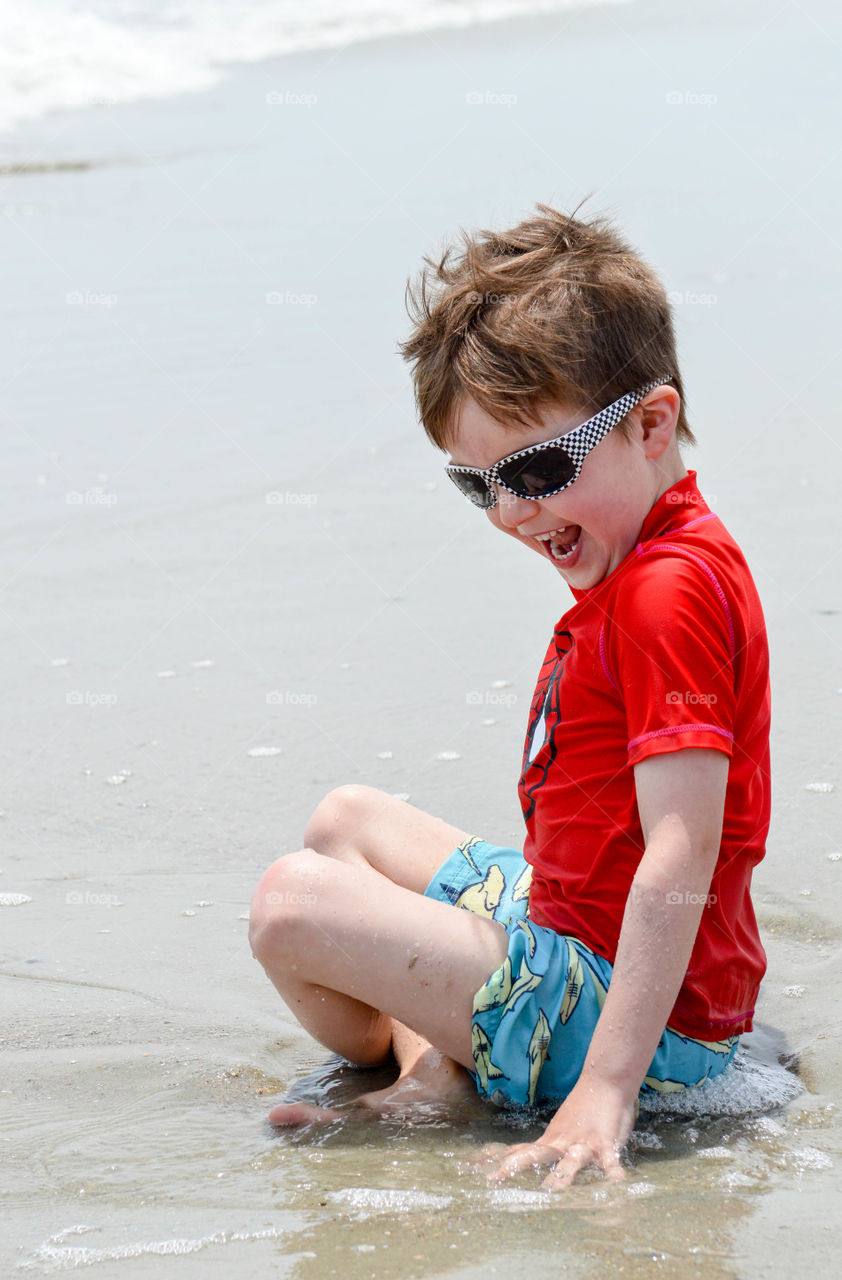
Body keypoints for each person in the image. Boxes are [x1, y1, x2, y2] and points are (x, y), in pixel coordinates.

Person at [248, 204, 770, 1189]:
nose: (514, 510)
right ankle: (435, 1061)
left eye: (537, 468)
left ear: (651, 421)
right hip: (572, 926)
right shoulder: (646, 555)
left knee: (289, 903)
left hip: (645, 1024)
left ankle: (490, 1062)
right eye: (476, 483)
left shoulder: (665, 588)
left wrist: (606, 1087)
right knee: (345, 822)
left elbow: (682, 845)